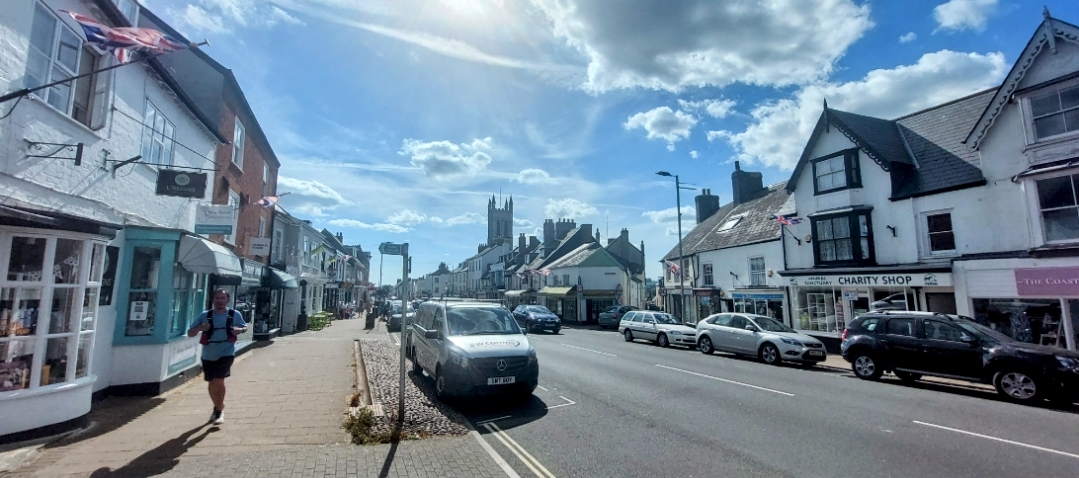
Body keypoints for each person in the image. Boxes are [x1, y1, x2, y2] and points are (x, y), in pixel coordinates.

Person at [188, 289, 247, 425]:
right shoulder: (205, 315)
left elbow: (244, 327)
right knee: (211, 383)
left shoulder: (234, 314)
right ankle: (218, 406)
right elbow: (190, 333)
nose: (220, 301)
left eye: (222, 298)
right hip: (208, 353)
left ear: (227, 300)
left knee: (219, 380)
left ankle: (219, 411)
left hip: (226, 352)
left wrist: (239, 330)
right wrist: (200, 328)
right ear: (213, 300)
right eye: (217, 298)